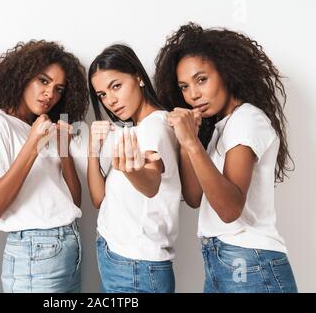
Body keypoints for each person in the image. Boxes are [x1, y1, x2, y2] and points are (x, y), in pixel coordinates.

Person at [154, 22, 298, 293]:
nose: (193, 94)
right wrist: (190, 141)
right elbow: (195, 197)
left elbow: (230, 210)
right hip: (223, 259)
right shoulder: (224, 126)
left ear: (227, 72)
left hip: (250, 263)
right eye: (184, 87)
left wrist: (190, 143)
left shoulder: (247, 119)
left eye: (202, 79)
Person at [0, 40, 88, 293]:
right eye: (43, 81)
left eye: (59, 88)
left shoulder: (42, 127)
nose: (50, 94)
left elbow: (74, 201)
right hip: (34, 252)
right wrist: (33, 144)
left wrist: (63, 149)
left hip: (69, 245)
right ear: (23, 76)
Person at [87, 44, 181, 293]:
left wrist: (132, 171)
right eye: (102, 95)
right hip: (120, 257)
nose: (111, 101)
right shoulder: (133, 131)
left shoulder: (154, 127)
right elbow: (98, 199)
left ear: (138, 77)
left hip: (135, 266)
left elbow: (151, 183)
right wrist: (92, 149)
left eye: (116, 86)